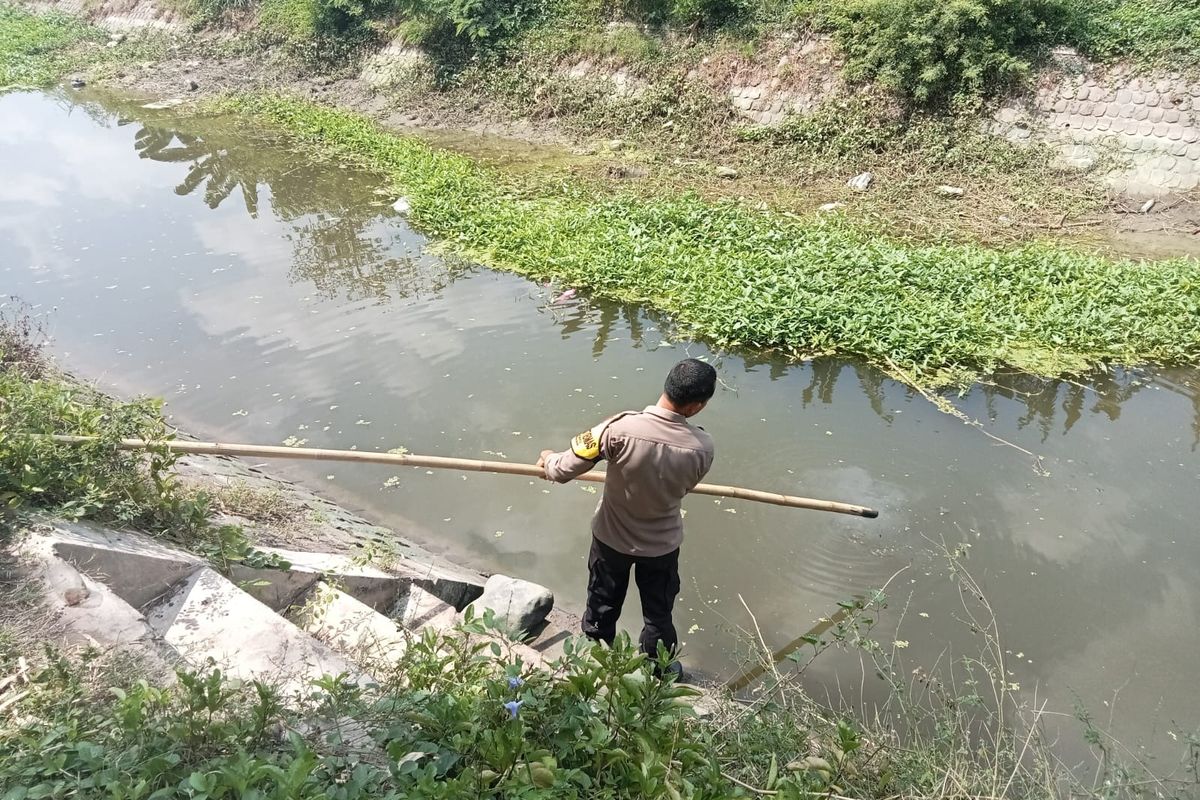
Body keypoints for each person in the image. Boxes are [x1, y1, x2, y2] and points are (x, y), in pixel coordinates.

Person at [537, 358, 716, 675]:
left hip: (611, 540)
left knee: (602, 603)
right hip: (662, 547)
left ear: (667, 385)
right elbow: (685, 487)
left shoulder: (617, 428)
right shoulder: (702, 447)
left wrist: (548, 460)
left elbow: (563, 469)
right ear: (697, 407)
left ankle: (595, 661)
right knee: (659, 614)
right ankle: (659, 671)